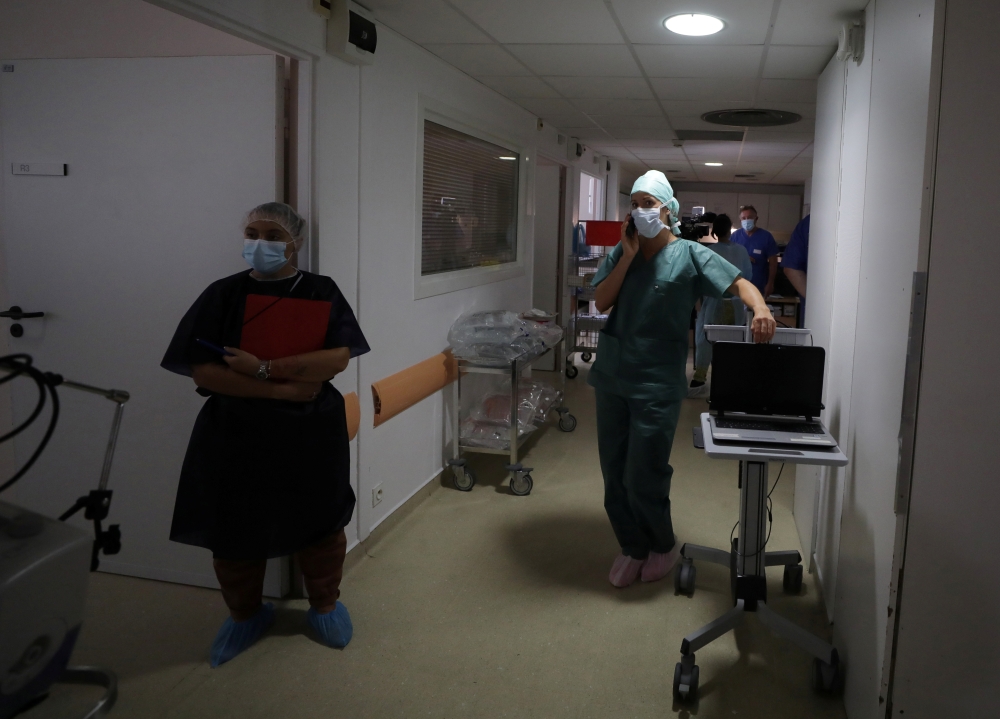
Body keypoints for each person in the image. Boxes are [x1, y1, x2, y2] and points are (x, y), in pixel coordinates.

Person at [161, 202, 370, 667]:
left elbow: (336, 358)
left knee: (320, 515)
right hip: (236, 429)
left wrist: (264, 368)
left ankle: (324, 605)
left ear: (296, 241)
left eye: (273, 235)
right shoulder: (223, 295)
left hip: (311, 429)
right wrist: (283, 391)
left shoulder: (320, 290)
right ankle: (244, 614)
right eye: (252, 232)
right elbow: (203, 370)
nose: (261, 243)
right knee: (233, 520)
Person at [589, 171, 776, 588]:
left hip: (656, 380)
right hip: (613, 376)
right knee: (613, 474)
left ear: (668, 210)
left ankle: (661, 543)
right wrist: (627, 251)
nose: (640, 211)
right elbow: (602, 301)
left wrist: (761, 310)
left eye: (649, 203)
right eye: (635, 203)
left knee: (644, 472)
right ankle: (632, 545)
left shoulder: (691, 254)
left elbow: (741, 283)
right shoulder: (623, 253)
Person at [689, 214, 753, 397]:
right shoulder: (741, 251)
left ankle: (700, 377)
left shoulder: (708, 251)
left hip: (712, 304)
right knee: (732, 342)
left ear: (714, 231)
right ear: (729, 229)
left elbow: (700, 279)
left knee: (706, 340)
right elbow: (747, 277)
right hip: (735, 304)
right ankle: (730, 379)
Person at [731, 205, 779, 299]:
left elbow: (773, 263)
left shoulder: (766, 237)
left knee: (756, 312)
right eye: (744, 218)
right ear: (740, 220)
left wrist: (770, 284)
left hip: (758, 285)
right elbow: (728, 257)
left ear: (756, 218)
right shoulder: (735, 236)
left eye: (749, 218)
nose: (746, 220)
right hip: (738, 285)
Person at [782, 214, 809, 327]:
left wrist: (818, 303)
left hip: (817, 312)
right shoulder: (807, 225)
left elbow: (791, 267)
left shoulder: (809, 223)